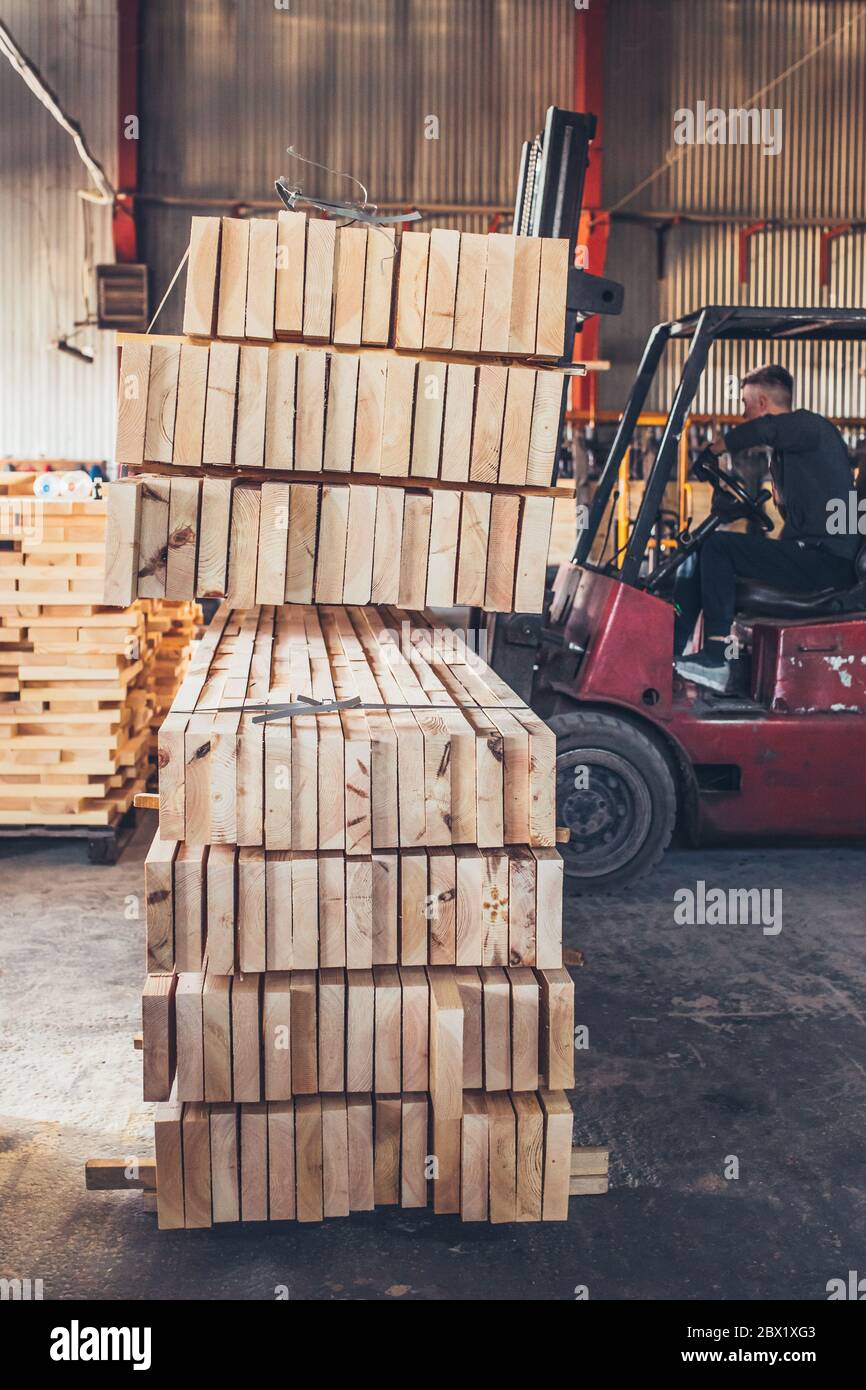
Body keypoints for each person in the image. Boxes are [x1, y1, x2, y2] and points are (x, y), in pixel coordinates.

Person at [674, 366, 858, 692]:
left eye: (745, 403)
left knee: (717, 547)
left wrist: (715, 449)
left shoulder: (808, 427)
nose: (743, 412)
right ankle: (676, 650)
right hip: (815, 556)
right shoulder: (790, 452)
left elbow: (765, 429)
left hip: (827, 561)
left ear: (761, 402)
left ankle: (715, 657)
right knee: (708, 549)